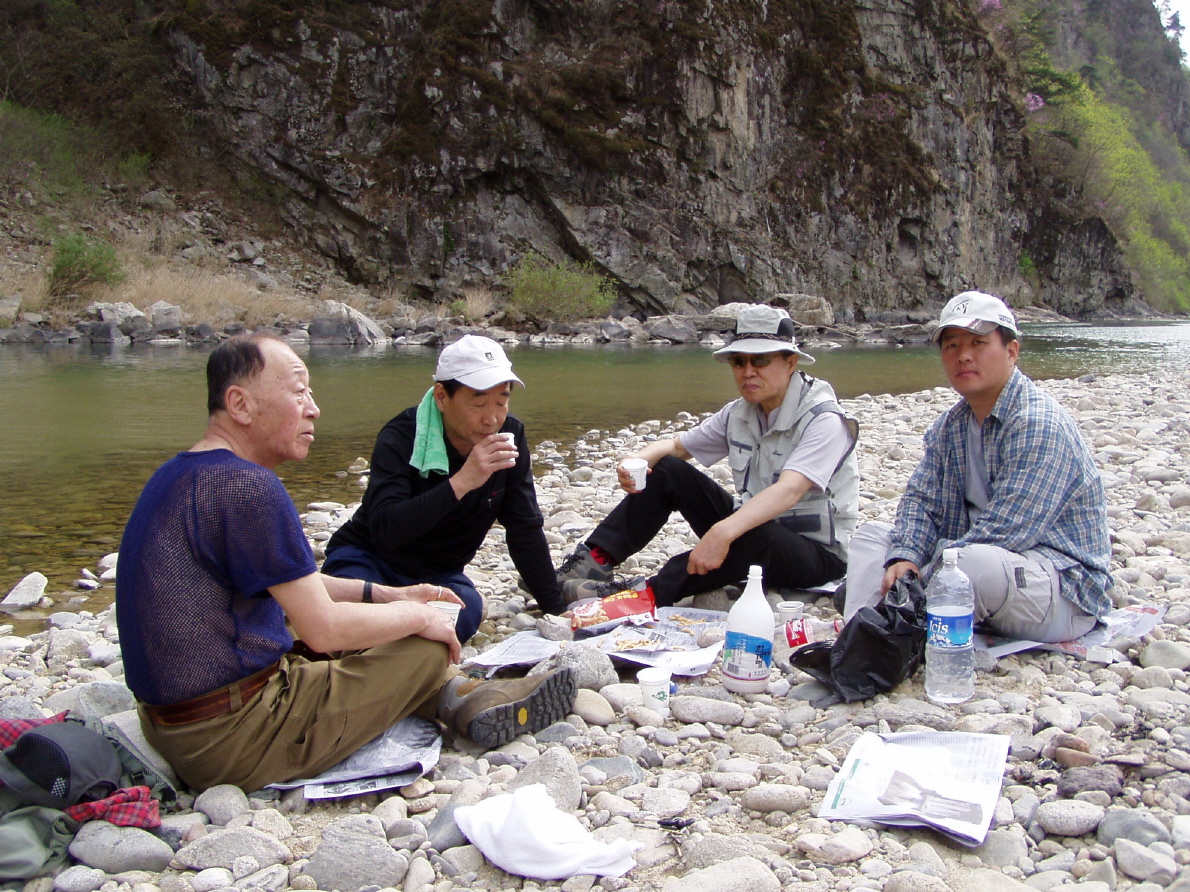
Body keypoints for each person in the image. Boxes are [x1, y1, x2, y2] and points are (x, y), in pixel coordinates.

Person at [115, 333, 576, 793]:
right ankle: (457, 694)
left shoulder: (184, 471)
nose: (314, 409)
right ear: (239, 404)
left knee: (429, 615)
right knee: (427, 648)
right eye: (299, 392)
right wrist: (418, 616)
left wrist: (386, 597)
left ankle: (459, 696)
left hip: (181, 725)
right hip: (235, 737)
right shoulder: (246, 486)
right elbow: (325, 629)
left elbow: (296, 585)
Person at [843, 291, 1111, 643]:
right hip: (969, 565)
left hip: (1057, 586)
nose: (963, 356)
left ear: (1011, 351)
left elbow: (1006, 532)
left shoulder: (1038, 424)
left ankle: (893, 625)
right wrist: (905, 558)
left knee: (971, 565)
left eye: (978, 343)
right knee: (872, 538)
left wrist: (919, 575)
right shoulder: (950, 426)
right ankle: (862, 637)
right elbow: (920, 501)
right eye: (952, 346)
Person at [559, 304, 860, 607]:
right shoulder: (740, 413)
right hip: (751, 530)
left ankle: (644, 594)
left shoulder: (824, 419)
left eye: (760, 360)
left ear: (791, 362)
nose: (748, 371)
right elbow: (676, 447)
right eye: (739, 361)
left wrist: (721, 532)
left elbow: (789, 491)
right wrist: (633, 462)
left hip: (818, 556)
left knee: (755, 535)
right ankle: (595, 560)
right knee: (669, 470)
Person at [322, 335, 563, 640]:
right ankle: (394, 643)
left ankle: (389, 642)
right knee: (347, 607)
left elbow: (523, 526)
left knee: (467, 609)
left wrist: (556, 610)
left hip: (438, 575)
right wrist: (463, 481)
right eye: (478, 403)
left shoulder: (509, 436)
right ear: (441, 397)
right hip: (370, 561)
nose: (491, 419)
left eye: (501, 402)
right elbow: (386, 530)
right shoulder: (402, 436)